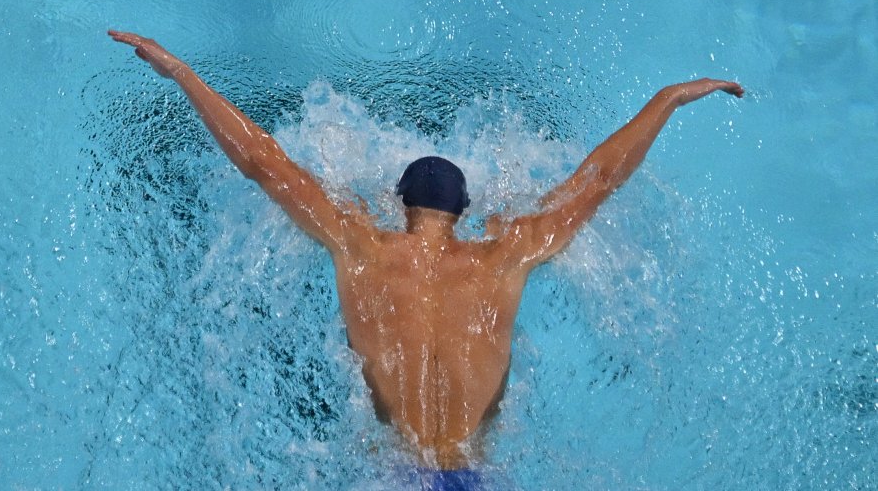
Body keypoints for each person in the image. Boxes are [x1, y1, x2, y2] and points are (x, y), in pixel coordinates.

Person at [109, 30, 743, 480]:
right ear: (463, 212)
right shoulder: (505, 256)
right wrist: (668, 98)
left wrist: (182, 73)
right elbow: (600, 179)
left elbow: (263, 164)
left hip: (396, 474)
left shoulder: (360, 245)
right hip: (472, 478)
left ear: (398, 204)